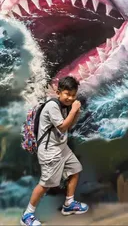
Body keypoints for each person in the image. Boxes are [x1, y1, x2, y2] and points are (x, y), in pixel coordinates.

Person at [20, 76, 88, 226]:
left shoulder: (64, 106)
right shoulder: (52, 106)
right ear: (58, 92)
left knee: (75, 170)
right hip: (50, 151)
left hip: (61, 147)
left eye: (73, 95)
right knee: (46, 184)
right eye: (67, 94)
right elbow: (62, 127)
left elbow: (68, 126)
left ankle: (68, 205)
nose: (70, 98)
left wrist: (75, 113)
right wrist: (74, 110)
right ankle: (27, 215)